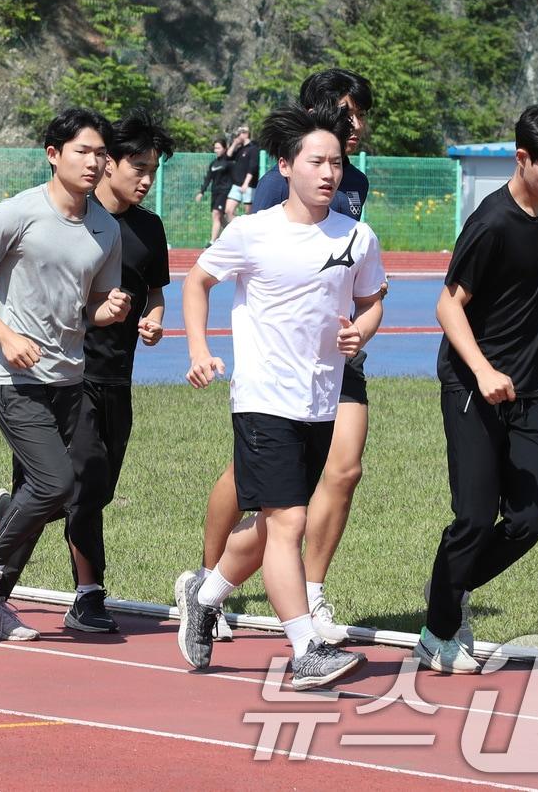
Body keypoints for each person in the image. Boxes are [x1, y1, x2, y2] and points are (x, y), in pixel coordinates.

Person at [177, 103, 384, 691]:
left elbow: (371, 302)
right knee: (288, 520)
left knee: (272, 528)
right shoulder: (252, 231)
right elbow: (197, 281)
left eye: (337, 163)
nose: (329, 173)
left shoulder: (357, 236)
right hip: (263, 397)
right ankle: (304, 648)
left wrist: (359, 332)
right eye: (316, 161)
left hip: (321, 398)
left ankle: (206, 593)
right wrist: (199, 349)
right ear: (286, 165)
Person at [0, 107, 131, 641]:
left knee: (43, 490)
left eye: (101, 154)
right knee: (55, 483)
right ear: (53, 155)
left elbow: (88, 308)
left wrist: (111, 310)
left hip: (68, 379)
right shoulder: (19, 212)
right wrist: (4, 335)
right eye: (83, 151)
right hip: (13, 377)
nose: (94, 163)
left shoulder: (106, 229)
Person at [416, 105, 538, 674]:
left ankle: (448, 589)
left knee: (531, 519)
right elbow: (447, 305)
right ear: (522, 158)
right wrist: (485, 371)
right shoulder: (490, 222)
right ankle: (439, 629)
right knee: (473, 517)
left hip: (534, 389)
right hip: (473, 387)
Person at [194, 138, 234, 245]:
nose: (216, 150)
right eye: (215, 148)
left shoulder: (229, 162)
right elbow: (208, 178)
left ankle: (212, 242)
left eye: (218, 148)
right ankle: (233, 233)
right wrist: (201, 192)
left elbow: (236, 177)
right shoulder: (213, 163)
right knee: (220, 218)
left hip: (224, 192)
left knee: (216, 214)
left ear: (225, 149)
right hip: (215, 193)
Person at [225, 126, 258, 213]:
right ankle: (239, 227)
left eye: (240, 133)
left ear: (246, 134)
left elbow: (252, 167)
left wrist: (246, 183)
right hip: (236, 185)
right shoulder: (240, 149)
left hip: (248, 186)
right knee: (228, 211)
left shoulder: (253, 148)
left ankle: (248, 227)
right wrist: (234, 143)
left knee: (249, 215)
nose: (238, 135)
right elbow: (228, 156)